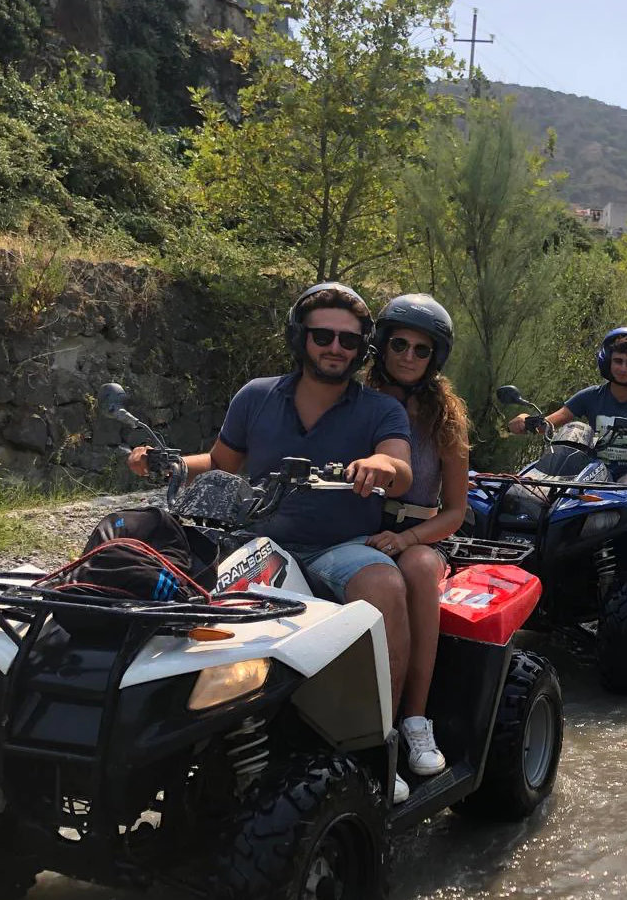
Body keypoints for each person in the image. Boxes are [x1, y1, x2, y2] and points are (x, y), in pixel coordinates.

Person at [126, 282, 415, 800]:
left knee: (386, 587)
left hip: (339, 546)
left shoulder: (380, 412)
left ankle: (379, 748)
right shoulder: (257, 396)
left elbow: (401, 470)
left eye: (348, 341)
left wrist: (381, 465)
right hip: (253, 538)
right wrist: (169, 462)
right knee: (163, 585)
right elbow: (220, 464)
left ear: (361, 349)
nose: (335, 347)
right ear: (299, 337)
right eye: (323, 335)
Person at [363, 293, 469, 782]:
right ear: (381, 345)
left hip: (420, 531)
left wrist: (408, 540)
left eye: (420, 349)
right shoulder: (355, 399)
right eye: (399, 344)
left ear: (435, 358)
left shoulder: (444, 417)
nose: (408, 356)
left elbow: (456, 511)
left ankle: (414, 719)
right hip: (356, 528)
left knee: (419, 570)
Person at [508, 328, 627, 488]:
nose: (623, 369)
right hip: (590, 469)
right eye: (618, 361)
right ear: (607, 362)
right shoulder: (591, 396)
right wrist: (525, 421)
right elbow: (548, 424)